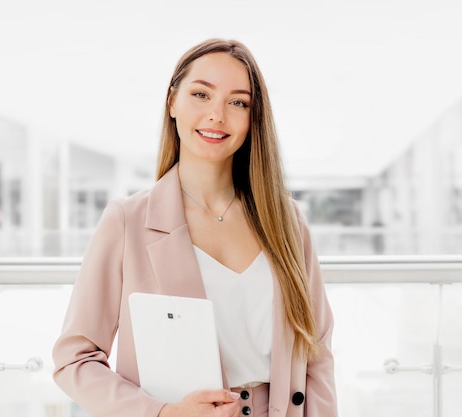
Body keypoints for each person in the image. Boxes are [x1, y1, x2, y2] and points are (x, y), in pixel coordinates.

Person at [52, 38, 338, 417]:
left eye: (238, 102)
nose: (217, 115)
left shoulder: (288, 221)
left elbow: (316, 353)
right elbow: (74, 361)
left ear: (253, 119)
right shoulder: (128, 221)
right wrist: (164, 413)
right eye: (201, 94)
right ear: (172, 102)